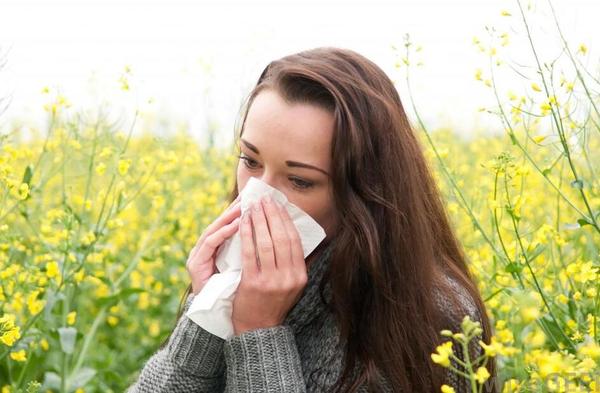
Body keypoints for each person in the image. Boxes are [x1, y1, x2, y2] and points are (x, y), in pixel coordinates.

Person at [126, 46, 498, 392]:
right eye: (250, 161)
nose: (258, 196)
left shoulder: (434, 319)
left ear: (363, 193)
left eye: (300, 180)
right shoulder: (233, 279)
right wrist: (208, 317)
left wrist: (259, 333)